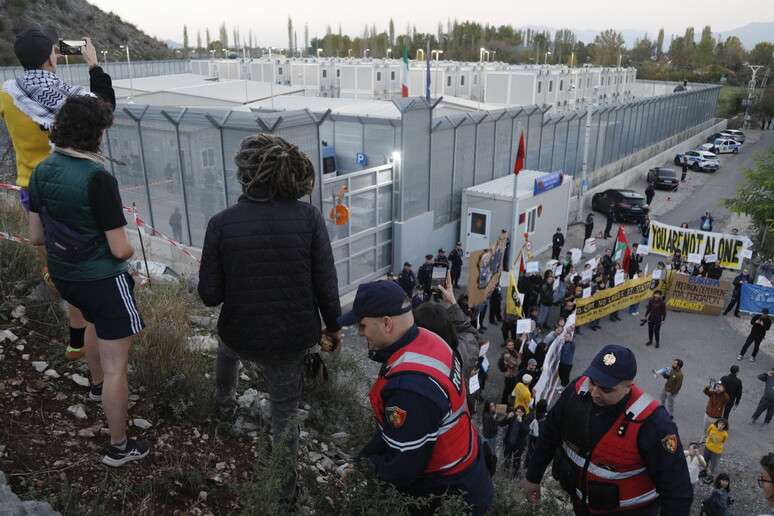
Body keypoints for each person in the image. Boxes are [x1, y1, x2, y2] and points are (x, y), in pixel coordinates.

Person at [198, 133, 342, 500]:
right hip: (290, 340)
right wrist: (334, 326)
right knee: (284, 414)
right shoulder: (308, 218)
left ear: (245, 175)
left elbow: (210, 295)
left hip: (240, 331)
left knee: (226, 351)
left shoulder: (221, 223)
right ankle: (285, 492)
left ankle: (224, 406)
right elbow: (326, 281)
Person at [26, 96, 148, 466]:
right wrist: (133, 260)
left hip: (66, 275)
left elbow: (35, 237)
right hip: (103, 280)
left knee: (91, 323)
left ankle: (96, 388)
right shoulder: (99, 179)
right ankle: (119, 446)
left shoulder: (41, 170)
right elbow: (120, 248)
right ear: (95, 134)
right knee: (118, 366)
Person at [1, 29, 116, 362]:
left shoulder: (8, 93)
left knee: (51, 257)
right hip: (69, 183)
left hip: (29, 185)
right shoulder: (68, 97)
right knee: (79, 258)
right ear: (52, 56)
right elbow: (103, 107)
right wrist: (93, 66)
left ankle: (74, 337)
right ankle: (82, 336)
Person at [342, 281, 493, 514]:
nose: (361, 334)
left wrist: (365, 468)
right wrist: (362, 458)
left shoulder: (410, 389)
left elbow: (403, 468)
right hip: (468, 473)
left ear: (386, 324)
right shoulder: (428, 339)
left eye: (362, 326)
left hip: (452, 495)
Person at [523, 344, 693, 514]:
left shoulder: (654, 423)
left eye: (606, 388)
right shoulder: (577, 391)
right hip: (582, 505)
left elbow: (677, 491)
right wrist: (533, 476)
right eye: (593, 381)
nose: (595, 392)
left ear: (628, 385)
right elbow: (550, 433)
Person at [500, 405, 529, 479]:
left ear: (523, 413)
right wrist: (507, 417)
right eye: (517, 411)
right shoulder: (512, 418)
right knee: (507, 458)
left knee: (516, 461)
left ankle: (515, 475)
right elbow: (501, 424)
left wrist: (521, 422)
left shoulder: (525, 420)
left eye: (520, 412)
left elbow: (526, 431)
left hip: (518, 446)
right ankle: (505, 473)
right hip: (509, 443)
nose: (518, 413)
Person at [702, 420, 729, 484]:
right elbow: (708, 433)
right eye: (720, 423)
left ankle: (711, 477)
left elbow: (723, 441)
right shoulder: (712, 426)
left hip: (716, 452)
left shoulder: (725, 434)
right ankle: (704, 471)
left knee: (713, 465)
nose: (720, 426)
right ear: (717, 423)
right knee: (705, 460)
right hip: (707, 448)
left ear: (725, 426)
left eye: (723, 425)